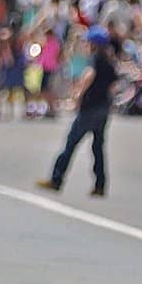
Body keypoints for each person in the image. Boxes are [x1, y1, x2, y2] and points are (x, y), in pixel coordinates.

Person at [36, 26, 116, 196]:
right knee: (97, 147)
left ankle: (56, 179)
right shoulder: (109, 62)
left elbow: (89, 76)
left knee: (71, 143)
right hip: (103, 108)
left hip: (90, 108)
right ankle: (100, 184)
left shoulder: (94, 60)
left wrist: (78, 96)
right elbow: (113, 85)